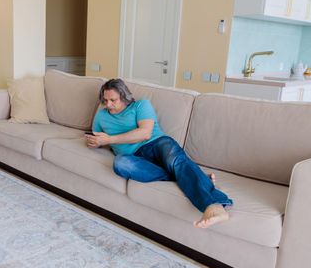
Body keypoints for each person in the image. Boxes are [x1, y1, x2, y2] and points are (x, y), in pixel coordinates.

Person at [85, 79, 233, 228]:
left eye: (113, 100)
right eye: (105, 100)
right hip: (133, 157)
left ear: (124, 97)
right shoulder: (101, 116)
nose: (109, 105)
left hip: (158, 144)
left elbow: (145, 133)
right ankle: (192, 176)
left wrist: (110, 139)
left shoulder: (141, 105)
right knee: (119, 163)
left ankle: (215, 208)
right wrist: (95, 143)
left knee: (176, 162)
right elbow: (95, 138)